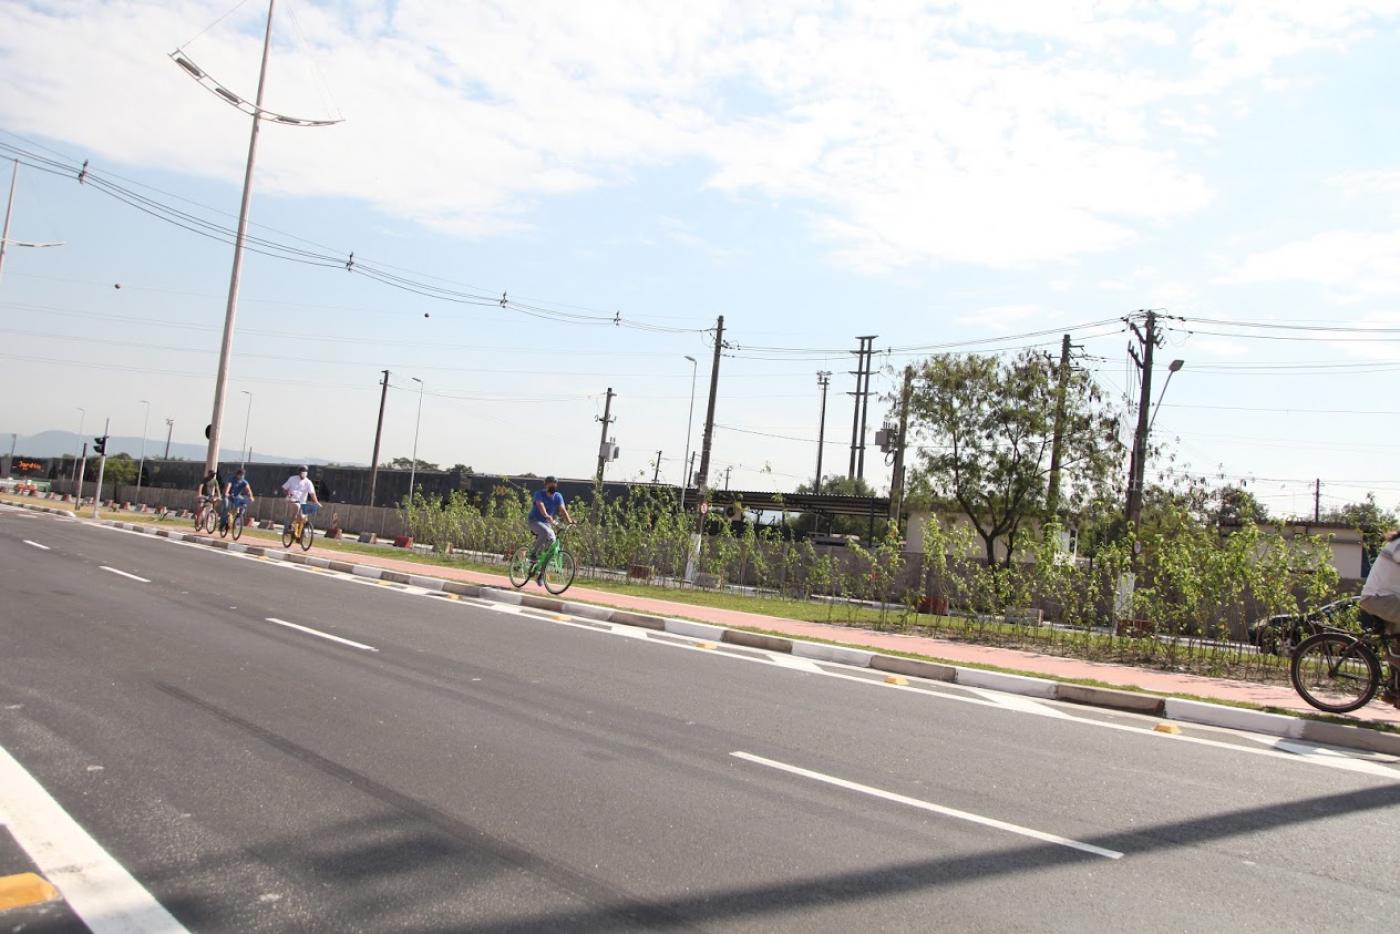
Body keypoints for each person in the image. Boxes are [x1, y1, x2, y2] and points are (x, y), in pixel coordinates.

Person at [1359, 529, 1400, 706]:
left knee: (1398, 642)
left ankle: (1393, 691)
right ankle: (1391, 659)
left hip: (1388, 599)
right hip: (1377, 599)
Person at [527, 476, 574, 583]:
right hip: (534, 521)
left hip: (547, 524)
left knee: (553, 545)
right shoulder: (539, 494)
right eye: (550, 483)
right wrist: (547, 515)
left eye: (554, 484)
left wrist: (570, 522)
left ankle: (541, 574)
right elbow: (540, 505)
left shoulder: (558, 496)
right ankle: (533, 554)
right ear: (546, 485)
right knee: (545, 532)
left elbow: (562, 509)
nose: (553, 485)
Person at [281, 465, 321, 532]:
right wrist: (288, 494)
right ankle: (290, 525)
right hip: (292, 499)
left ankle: (301, 532)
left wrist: (316, 502)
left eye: (305, 473)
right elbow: (284, 488)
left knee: (303, 517)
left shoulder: (308, 482)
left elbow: (312, 493)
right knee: (297, 506)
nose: (303, 474)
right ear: (299, 473)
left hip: (302, 502)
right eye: (302, 472)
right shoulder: (292, 479)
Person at [222, 468, 256, 532]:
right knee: (227, 509)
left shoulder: (244, 482)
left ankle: (238, 518)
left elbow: (248, 489)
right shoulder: (232, 479)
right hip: (229, 496)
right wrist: (226, 493)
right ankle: (223, 524)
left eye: (243, 475)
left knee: (244, 505)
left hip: (237, 496)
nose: (242, 476)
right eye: (240, 475)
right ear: (237, 475)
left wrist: (251, 497)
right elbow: (229, 486)